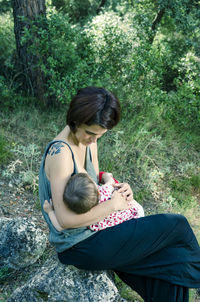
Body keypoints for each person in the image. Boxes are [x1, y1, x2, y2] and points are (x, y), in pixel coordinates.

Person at [39, 86, 200, 302]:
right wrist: (113, 206)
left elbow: (95, 182)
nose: (94, 140)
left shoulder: (88, 142)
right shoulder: (60, 154)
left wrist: (116, 186)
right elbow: (66, 220)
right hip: (81, 244)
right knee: (177, 224)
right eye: (90, 133)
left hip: (101, 229)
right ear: (75, 120)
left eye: (99, 135)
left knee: (170, 274)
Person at [43, 172, 144, 232]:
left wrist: (50, 211)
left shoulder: (88, 218)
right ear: (97, 192)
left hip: (124, 228)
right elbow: (111, 181)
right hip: (135, 212)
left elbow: (59, 227)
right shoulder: (105, 190)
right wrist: (107, 176)